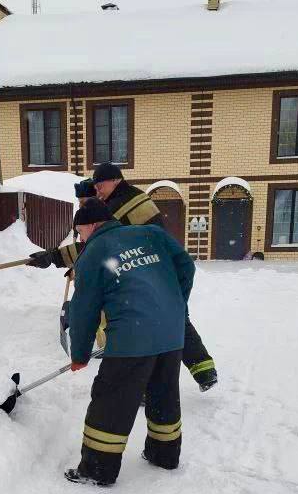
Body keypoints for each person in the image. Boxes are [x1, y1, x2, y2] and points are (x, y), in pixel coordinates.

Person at [28, 165, 217, 392]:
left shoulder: (119, 206)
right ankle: (204, 370)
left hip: (146, 270)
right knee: (173, 317)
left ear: (116, 180)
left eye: (100, 185)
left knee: (148, 328)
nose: (98, 191)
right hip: (157, 266)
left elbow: (98, 246)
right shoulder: (132, 195)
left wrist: (54, 256)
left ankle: (148, 386)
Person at [65, 198, 195, 487]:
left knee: (112, 401)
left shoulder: (94, 252)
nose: (80, 239)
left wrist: (80, 355)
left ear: (91, 225)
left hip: (132, 338)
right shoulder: (151, 234)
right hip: (171, 332)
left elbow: (84, 310)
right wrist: (175, 303)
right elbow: (186, 266)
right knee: (163, 393)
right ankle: (164, 454)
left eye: (79, 232)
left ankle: (97, 469)